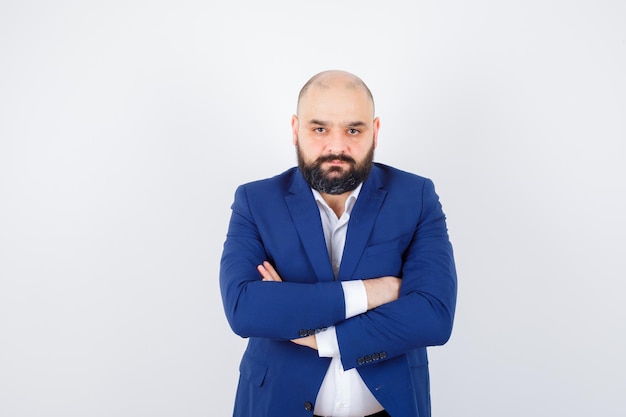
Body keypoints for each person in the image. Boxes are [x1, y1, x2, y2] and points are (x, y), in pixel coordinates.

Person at [219, 70, 457, 417]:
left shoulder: (416, 197)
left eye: (353, 130)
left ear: (374, 132)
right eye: (319, 129)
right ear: (295, 130)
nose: (336, 146)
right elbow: (245, 309)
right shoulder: (256, 201)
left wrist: (320, 338)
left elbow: (433, 316)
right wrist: (374, 292)